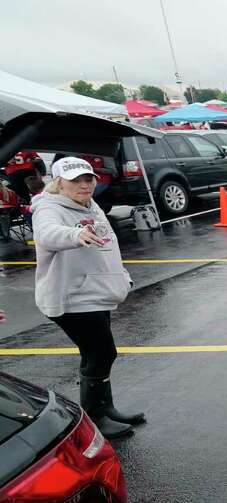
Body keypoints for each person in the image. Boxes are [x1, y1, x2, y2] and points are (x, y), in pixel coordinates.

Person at [32, 157, 145, 439]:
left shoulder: (91, 205)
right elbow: (47, 234)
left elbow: (107, 246)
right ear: (59, 183)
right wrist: (74, 234)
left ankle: (106, 408)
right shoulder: (48, 207)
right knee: (102, 353)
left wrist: (120, 276)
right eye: (75, 180)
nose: (84, 185)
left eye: (88, 179)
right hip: (70, 297)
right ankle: (94, 416)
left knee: (95, 353)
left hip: (94, 293)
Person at [0, 176, 20, 242]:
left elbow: (15, 205)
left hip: (12, 212)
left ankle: (5, 235)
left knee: (3, 215)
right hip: (5, 212)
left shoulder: (9, 192)